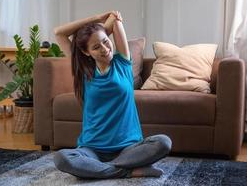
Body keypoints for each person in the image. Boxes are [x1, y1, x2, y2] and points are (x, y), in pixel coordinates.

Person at [53, 11, 172, 179]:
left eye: (105, 41)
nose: (104, 49)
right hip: (92, 149)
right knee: (62, 158)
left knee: (163, 142)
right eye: (96, 47)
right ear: (86, 52)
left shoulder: (123, 62)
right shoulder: (84, 71)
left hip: (129, 149)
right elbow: (59, 33)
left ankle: (101, 170)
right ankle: (128, 171)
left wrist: (102, 25)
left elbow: (115, 19)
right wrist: (96, 18)